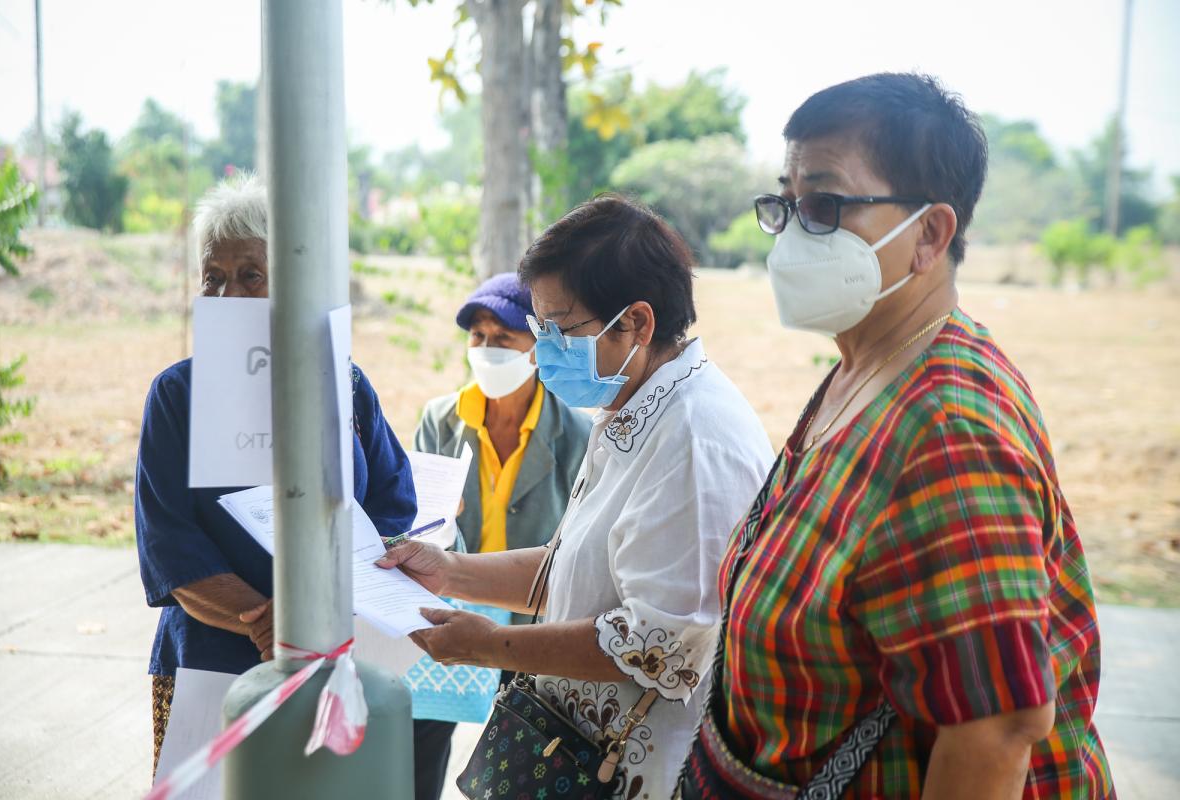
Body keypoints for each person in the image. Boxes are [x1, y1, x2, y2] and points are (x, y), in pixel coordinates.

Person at [681, 73, 1114, 799]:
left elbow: (995, 730)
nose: (795, 232)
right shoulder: (864, 368)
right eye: (787, 204)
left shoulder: (949, 433)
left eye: (825, 205)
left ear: (930, 234)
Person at [378, 195, 773, 799]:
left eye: (561, 331)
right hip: (573, 751)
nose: (544, 353)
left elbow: (656, 644)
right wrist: (451, 572)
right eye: (540, 331)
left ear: (636, 323)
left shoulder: (695, 440)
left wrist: (488, 646)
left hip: (637, 773)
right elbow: (572, 570)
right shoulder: (630, 407)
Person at [134, 174, 416, 774]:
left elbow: (391, 504)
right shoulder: (178, 396)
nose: (228, 294)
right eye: (212, 278)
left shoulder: (344, 382)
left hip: (329, 661)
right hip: (209, 662)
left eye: (250, 275)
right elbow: (170, 546)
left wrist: (334, 610)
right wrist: (272, 623)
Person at [410, 272, 591, 800]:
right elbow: (415, 516)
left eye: (503, 336)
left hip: (530, 620)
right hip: (450, 604)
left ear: (535, 347)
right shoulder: (441, 419)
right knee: (421, 740)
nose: (487, 348)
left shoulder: (576, 432)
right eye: (478, 336)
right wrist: (438, 518)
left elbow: (578, 536)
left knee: (525, 752)